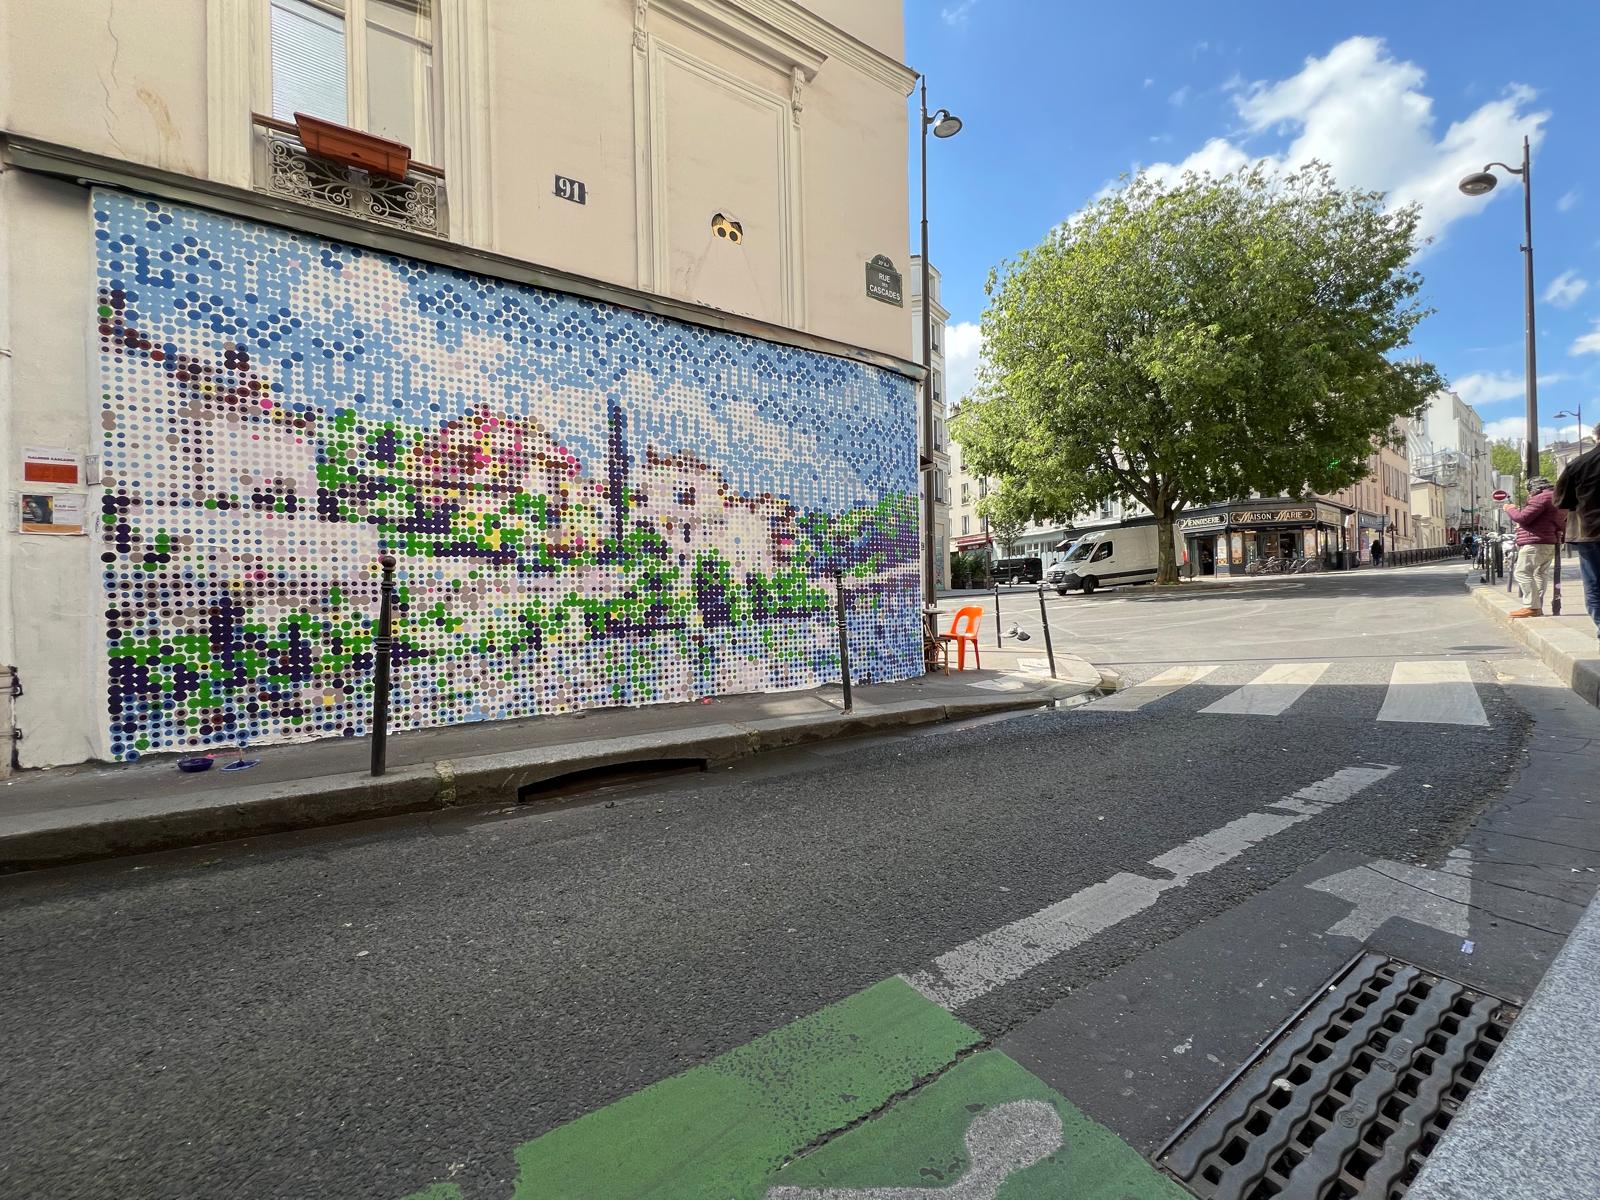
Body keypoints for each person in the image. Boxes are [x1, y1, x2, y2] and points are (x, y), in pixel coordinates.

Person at [1555, 437, 1600, 643]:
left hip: (1589, 529)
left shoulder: (1579, 464)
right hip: (1589, 531)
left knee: (1594, 583)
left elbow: (1561, 500)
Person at [1502, 476, 1565, 617]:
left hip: (1535, 542)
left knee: (1522, 572)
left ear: (1533, 488)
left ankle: (1532, 606)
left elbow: (1522, 518)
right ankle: (1537, 605)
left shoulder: (1541, 498)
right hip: (1549, 541)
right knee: (1540, 574)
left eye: (1529, 490)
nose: (1529, 494)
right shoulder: (1556, 497)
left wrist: (1510, 509)